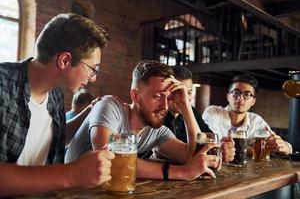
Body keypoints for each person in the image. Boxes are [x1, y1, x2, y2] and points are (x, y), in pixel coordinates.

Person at [0, 13, 115, 196]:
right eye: (93, 69)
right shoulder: (3, 85)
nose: (93, 78)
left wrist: (89, 111)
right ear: (64, 61)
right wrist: (72, 174)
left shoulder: (55, 94)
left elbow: (53, 137)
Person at [66, 60, 221, 180]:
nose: (165, 106)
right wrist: (181, 172)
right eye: (157, 96)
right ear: (135, 96)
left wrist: (185, 105)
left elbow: (192, 157)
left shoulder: (157, 132)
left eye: (169, 97)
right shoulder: (110, 106)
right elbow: (110, 159)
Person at [202, 74, 292, 156]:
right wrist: (253, 149)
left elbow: (276, 143)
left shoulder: (255, 121)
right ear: (228, 96)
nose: (240, 99)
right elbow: (212, 145)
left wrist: (285, 147)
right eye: (236, 93)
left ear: (253, 101)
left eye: (247, 94)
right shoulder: (213, 112)